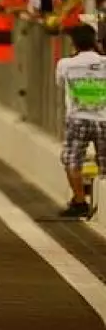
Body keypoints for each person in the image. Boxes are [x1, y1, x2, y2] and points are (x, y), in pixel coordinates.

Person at [55, 24, 106, 217]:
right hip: (104, 118)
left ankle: (79, 201)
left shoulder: (66, 64)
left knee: (72, 161)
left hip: (78, 119)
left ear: (74, 43)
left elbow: (60, 83)